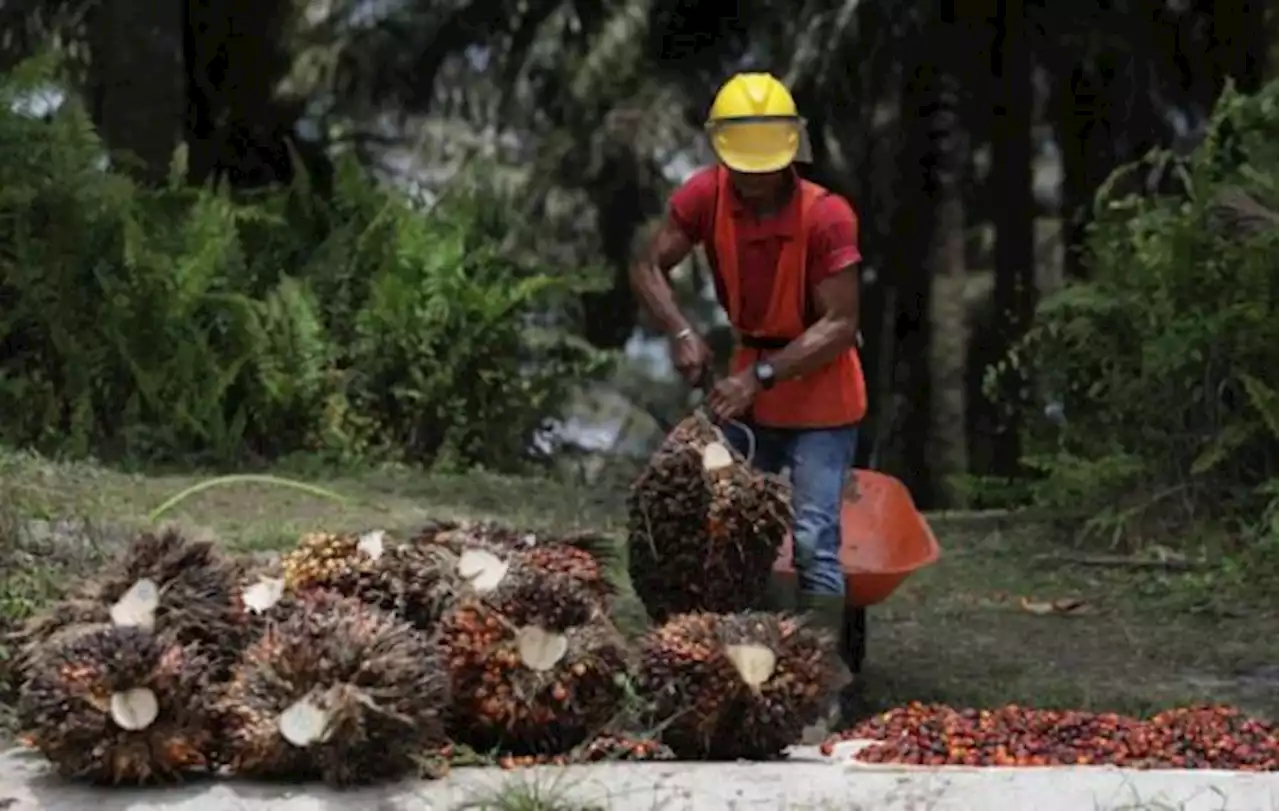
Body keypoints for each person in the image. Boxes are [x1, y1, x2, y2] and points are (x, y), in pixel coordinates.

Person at [629, 72, 867, 732]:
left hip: (818, 388)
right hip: (748, 384)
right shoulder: (705, 196)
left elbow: (841, 324)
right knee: (730, 527)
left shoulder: (827, 215)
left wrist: (758, 377)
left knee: (815, 538)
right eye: (743, 170)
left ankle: (821, 684)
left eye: (767, 170)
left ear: (795, 150)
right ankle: (745, 669)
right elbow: (648, 265)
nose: (755, 182)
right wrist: (680, 330)